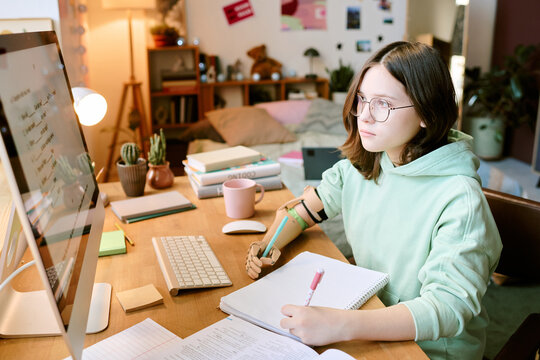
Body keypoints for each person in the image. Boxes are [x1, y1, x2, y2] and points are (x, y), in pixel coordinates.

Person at [245, 41, 502, 360]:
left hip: (430, 349)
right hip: (368, 314)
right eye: (362, 100)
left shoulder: (460, 198)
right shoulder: (363, 164)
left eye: (382, 104)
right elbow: (306, 211)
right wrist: (269, 245)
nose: (363, 116)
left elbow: (447, 309)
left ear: (426, 112)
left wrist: (339, 324)